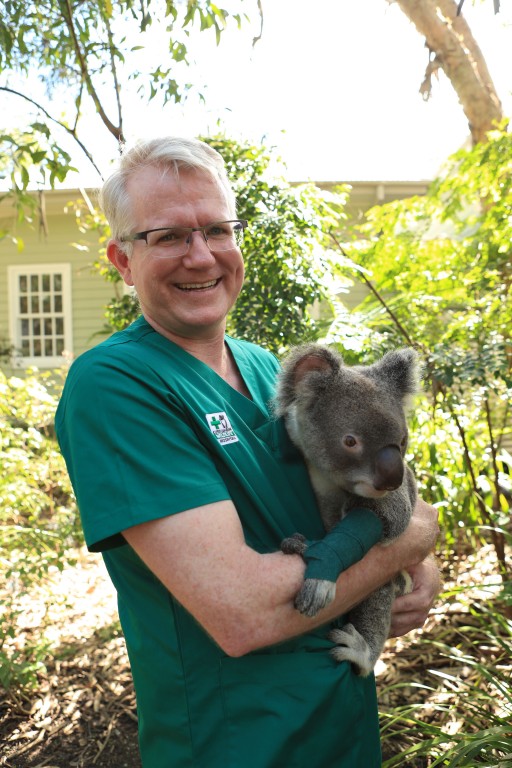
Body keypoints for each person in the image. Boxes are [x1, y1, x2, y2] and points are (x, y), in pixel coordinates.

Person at [55, 137, 440, 768]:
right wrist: (406, 542)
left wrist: (412, 571)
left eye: (216, 229)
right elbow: (242, 611)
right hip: (238, 740)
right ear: (122, 260)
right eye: (169, 236)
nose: (200, 255)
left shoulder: (273, 373)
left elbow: (365, 492)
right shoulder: (116, 386)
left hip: (340, 724)